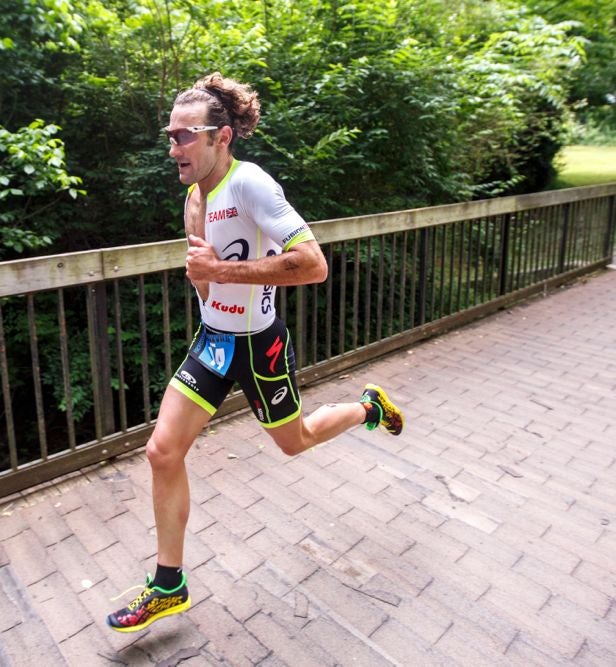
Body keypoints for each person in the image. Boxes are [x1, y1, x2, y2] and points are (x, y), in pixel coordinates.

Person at [105, 73, 405, 633]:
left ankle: (369, 407)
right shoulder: (194, 200)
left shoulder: (252, 185)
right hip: (214, 342)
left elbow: (314, 264)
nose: (172, 148)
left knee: (296, 442)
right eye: (169, 135)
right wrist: (206, 284)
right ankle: (169, 585)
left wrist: (219, 270)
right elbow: (204, 280)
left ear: (221, 137)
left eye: (184, 136)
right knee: (162, 452)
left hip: (261, 346)